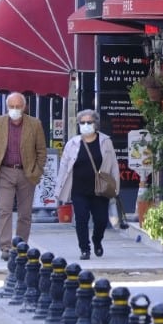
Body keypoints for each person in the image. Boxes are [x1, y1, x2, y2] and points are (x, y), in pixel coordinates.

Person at [0, 92, 47, 259]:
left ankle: (21, 245)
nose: (15, 109)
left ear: (24, 107)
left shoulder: (35, 124)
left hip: (27, 173)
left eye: (18, 106)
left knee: (25, 213)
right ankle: (5, 247)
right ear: (7, 107)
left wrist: (37, 171)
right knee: (4, 210)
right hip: (4, 171)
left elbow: (41, 151)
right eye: (12, 106)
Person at [55, 109, 118, 260]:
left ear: (95, 124)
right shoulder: (73, 143)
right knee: (81, 219)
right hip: (79, 189)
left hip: (100, 189)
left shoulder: (105, 141)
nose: (86, 125)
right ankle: (85, 248)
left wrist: (115, 188)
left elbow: (113, 165)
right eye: (82, 122)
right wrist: (59, 189)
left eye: (89, 122)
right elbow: (64, 166)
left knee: (101, 220)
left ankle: (97, 240)